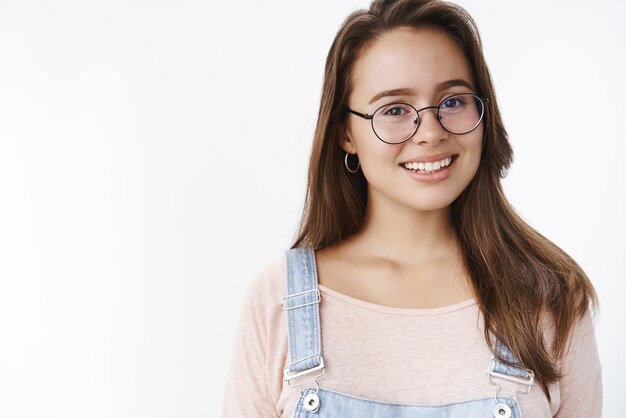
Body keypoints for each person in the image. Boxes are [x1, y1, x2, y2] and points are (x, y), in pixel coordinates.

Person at [222, 0, 602, 417]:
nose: (431, 132)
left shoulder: (551, 298)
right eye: (396, 110)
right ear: (345, 133)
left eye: (453, 101)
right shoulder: (278, 299)